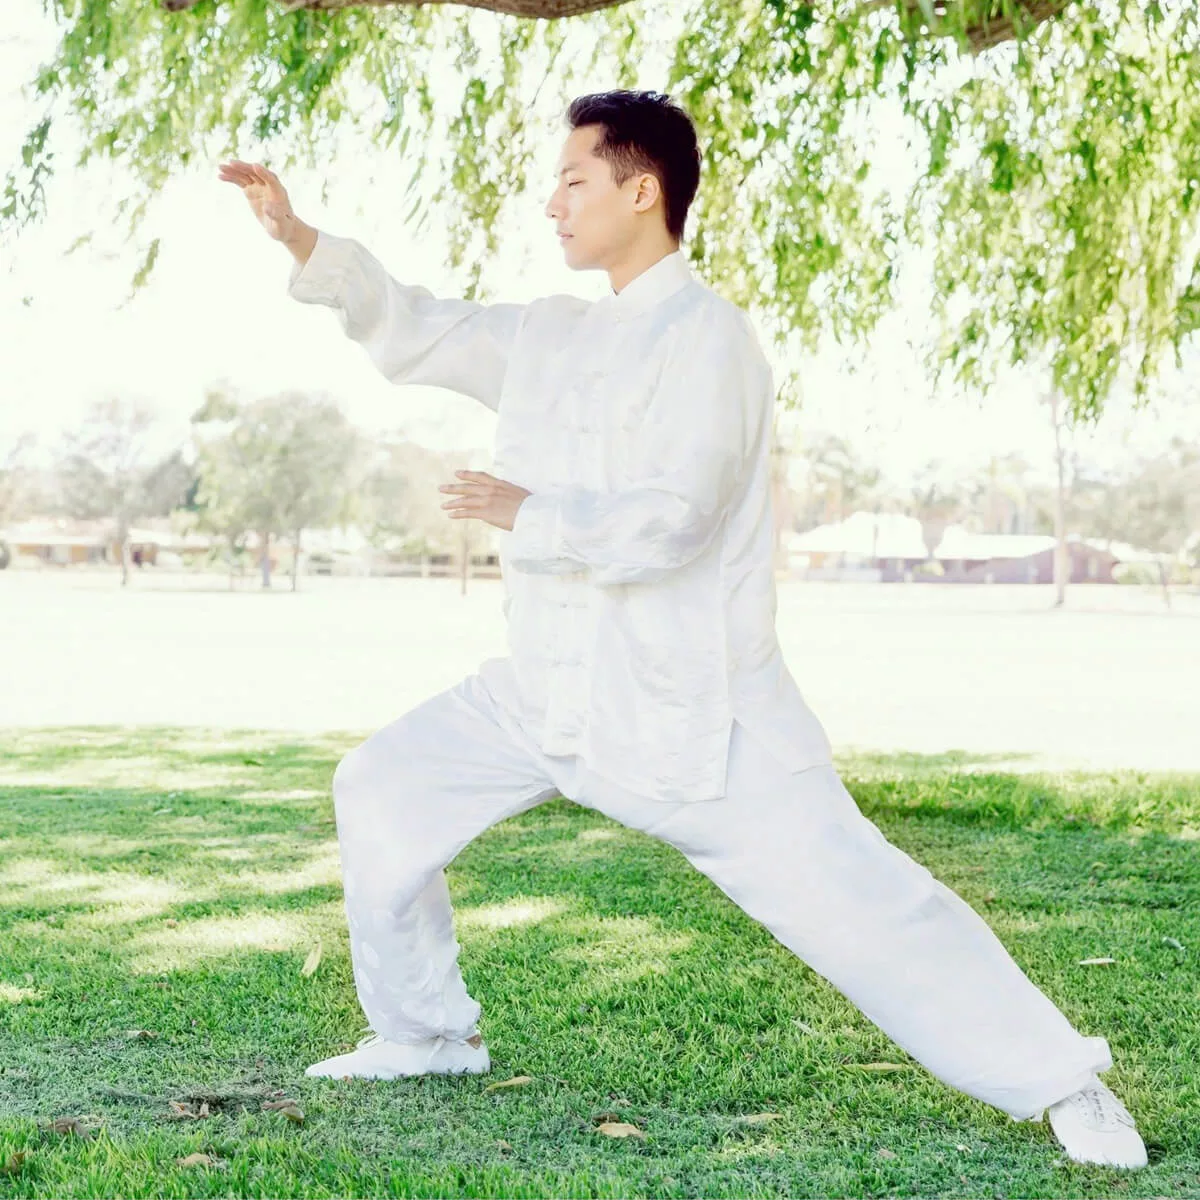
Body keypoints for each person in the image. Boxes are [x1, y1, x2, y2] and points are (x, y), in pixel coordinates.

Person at [218, 89, 1146, 1170]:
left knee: (865, 899)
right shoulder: (549, 334)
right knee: (383, 787)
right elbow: (421, 324)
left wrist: (528, 512)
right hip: (541, 693)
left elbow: (676, 521)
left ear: (641, 189)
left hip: (694, 711)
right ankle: (426, 1033)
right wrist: (301, 239)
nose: (551, 202)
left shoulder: (712, 341)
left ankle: (1064, 1082)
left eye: (573, 179)